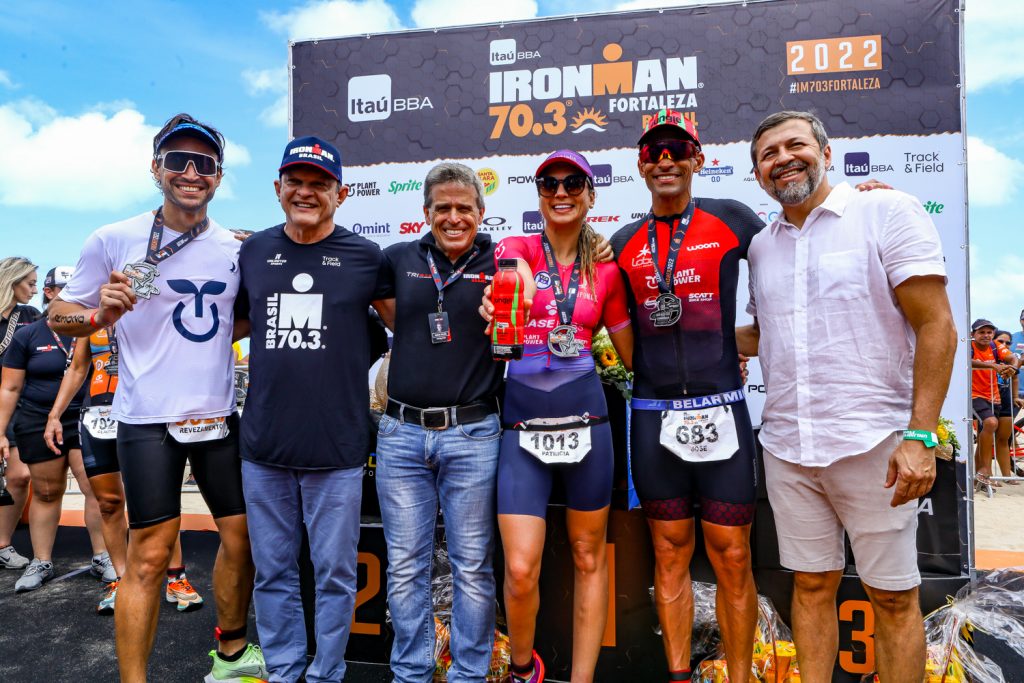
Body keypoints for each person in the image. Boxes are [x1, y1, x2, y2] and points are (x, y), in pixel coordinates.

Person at [739, 110, 956, 682]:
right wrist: (674, 334)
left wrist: (920, 435)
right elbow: (764, 334)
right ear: (758, 174)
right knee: (809, 586)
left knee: (892, 597)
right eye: (768, 154)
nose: (783, 158)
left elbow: (937, 326)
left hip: (877, 445)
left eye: (796, 145)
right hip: (788, 446)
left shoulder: (886, 211)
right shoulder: (761, 246)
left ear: (826, 153)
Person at [48, 113, 266, 683]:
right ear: (156, 168)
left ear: (219, 177)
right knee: (149, 555)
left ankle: (233, 654)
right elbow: (59, 315)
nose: (191, 172)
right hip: (146, 421)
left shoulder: (236, 247)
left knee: (241, 542)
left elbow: (237, 320)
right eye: (178, 161)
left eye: (205, 164)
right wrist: (100, 314)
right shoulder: (113, 238)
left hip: (217, 416)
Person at [607, 109, 764, 683]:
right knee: (669, 553)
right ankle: (678, 676)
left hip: (721, 409)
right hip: (653, 418)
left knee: (733, 555)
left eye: (677, 150)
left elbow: (804, 234)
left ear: (699, 160)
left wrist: (865, 198)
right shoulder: (622, 242)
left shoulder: (733, 220)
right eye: (654, 153)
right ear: (641, 166)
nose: (666, 160)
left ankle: (740, 676)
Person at [233, 136, 389, 683]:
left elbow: (411, 324)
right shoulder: (251, 252)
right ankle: (282, 669)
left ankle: (326, 673)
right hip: (264, 447)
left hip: (338, 448)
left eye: (319, 184)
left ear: (340, 195)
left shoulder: (366, 257)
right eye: (295, 181)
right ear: (277, 189)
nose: (306, 192)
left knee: (335, 576)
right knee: (272, 573)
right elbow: (221, 328)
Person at [485, 150, 633, 683]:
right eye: (550, 183)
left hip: (588, 424)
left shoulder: (609, 269)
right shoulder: (517, 247)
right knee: (521, 570)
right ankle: (524, 670)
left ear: (591, 195)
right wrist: (514, 286)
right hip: (522, 427)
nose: (562, 191)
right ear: (539, 195)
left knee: (588, 557)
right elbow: (511, 272)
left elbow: (634, 353)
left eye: (574, 183)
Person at [373, 162, 506, 683]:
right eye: (442, 209)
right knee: (406, 568)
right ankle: (412, 672)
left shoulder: (506, 261)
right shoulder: (396, 259)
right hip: (401, 434)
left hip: (475, 434)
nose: (453, 217)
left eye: (464, 208)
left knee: (472, 568)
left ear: (481, 211)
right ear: (425, 212)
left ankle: (470, 675)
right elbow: (385, 311)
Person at [44, 323, 207, 613]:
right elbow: (78, 369)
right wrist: (55, 414)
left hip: (146, 414)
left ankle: (176, 577)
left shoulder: (155, 312)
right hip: (97, 416)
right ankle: (122, 579)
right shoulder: (92, 320)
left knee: (161, 503)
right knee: (108, 503)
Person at [0, 266, 113, 593]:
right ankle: (42, 560)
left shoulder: (96, 330)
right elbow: (9, 389)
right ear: (50, 293)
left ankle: (102, 555)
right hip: (36, 418)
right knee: (47, 492)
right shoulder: (27, 334)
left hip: (84, 416)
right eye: (65, 289)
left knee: (94, 489)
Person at [0, 257, 40, 571]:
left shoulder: (30, 315)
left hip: (19, 406)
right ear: (11, 283)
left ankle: (2, 544)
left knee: (20, 475)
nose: (35, 289)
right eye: (29, 283)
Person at [969, 319, 1018, 488]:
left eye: (989, 332)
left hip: (994, 396)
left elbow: (1013, 358)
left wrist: (1013, 368)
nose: (986, 335)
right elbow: (965, 361)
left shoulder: (996, 346)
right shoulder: (969, 346)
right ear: (972, 334)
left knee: (989, 433)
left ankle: (980, 477)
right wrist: (994, 367)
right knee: (990, 424)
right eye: (981, 332)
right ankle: (984, 469)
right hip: (974, 395)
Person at [992, 330, 1022, 484]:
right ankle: (987, 476)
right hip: (987, 397)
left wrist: (1016, 396)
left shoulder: (1011, 359)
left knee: (1003, 439)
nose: (1004, 345)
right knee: (988, 438)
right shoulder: (989, 355)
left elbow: (1015, 378)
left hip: (1005, 398)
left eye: (1008, 342)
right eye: (1000, 341)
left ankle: (1007, 477)